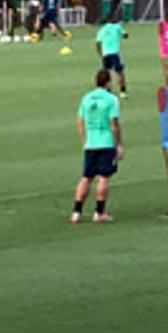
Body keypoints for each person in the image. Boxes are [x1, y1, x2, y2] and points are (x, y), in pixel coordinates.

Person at [71, 70, 122, 223]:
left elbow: (80, 121)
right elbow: (114, 125)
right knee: (104, 177)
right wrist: (118, 144)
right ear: (108, 82)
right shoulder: (111, 99)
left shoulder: (86, 98)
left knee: (86, 177)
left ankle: (76, 212)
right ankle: (99, 213)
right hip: (106, 142)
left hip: (91, 143)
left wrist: (84, 140)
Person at [96, 11, 128, 97]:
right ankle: (123, 91)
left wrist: (100, 54)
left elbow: (98, 43)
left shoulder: (102, 30)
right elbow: (126, 35)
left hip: (106, 54)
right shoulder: (117, 27)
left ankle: (108, 91)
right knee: (120, 72)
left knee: (107, 73)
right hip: (115, 53)